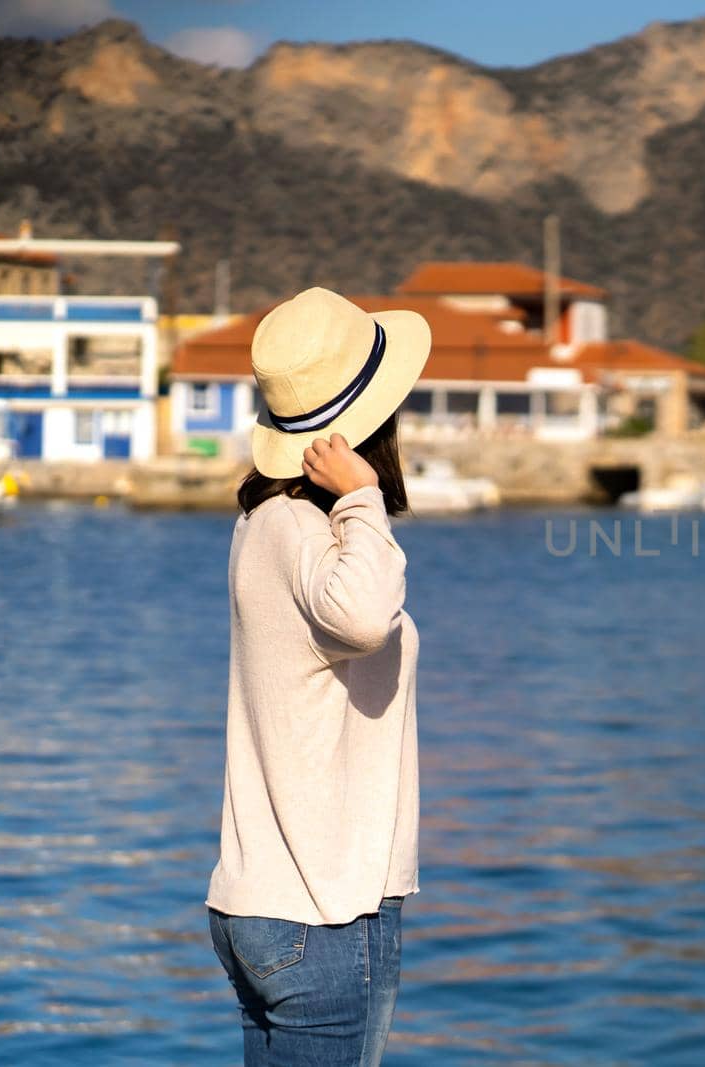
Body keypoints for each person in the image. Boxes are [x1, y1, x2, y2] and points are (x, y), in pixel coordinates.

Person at [206, 287, 431, 1066]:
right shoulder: (307, 533)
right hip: (324, 911)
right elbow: (366, 618)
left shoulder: (263, 525)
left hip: (265, 904)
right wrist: (363, 497)